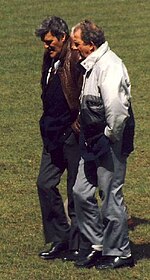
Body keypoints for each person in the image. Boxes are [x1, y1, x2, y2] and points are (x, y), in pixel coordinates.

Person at [71, 20, 135, 269]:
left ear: (91, 44)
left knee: (110, 196)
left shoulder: (110, 66)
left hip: (110, 141)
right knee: (81, 191)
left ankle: (121, 252)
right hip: (92, 140)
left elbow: (117, 111)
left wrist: (109, 137)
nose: (75, 49)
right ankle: (99, 244)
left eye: (77, 44)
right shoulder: (90, 64)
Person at [35, 16, 82, 261]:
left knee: (75, 191)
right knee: (45, 183)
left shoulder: (75, 61)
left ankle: (77, 244)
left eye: (50, 41)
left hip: (71, 136)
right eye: (44, 42)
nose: (46, 46)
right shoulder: (50, 59)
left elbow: (85, 98)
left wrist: (76, 127)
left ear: (63, 37)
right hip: (52, 136)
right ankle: (59, 238)